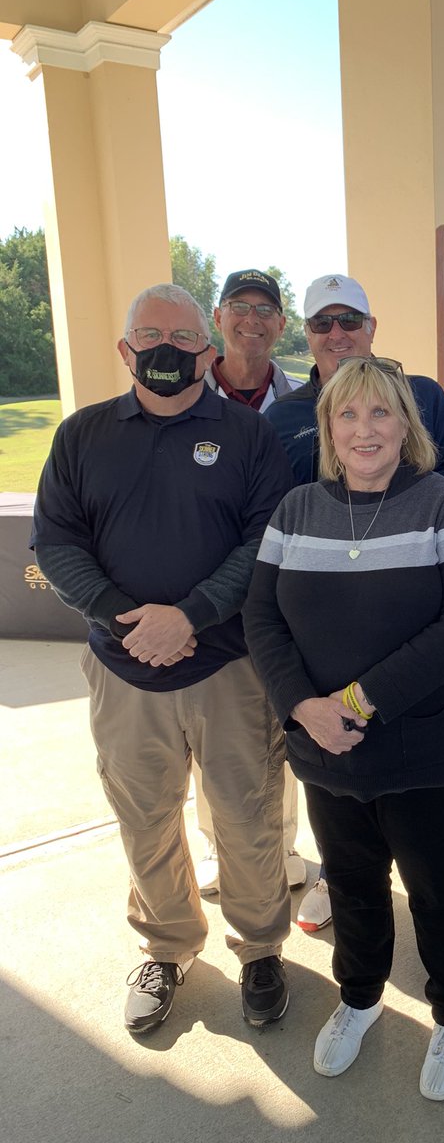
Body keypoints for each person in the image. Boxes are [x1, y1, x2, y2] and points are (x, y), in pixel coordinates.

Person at [31, 284, 293, 1033]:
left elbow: (264, 542)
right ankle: (168, 944)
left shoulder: (248, 437)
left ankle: (261, 947)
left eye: (182, 338)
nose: (166, 350)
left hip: (227, 666)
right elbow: (56, 543)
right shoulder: (81, 436)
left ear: (207, 351)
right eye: (149, 335)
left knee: (246, 816)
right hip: (122, 671)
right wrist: (125, 621)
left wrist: (191, 615)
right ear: (125, 349)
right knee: (144, 816)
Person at [244, 356, 444, 1100]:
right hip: (326, 753)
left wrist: (353, 703)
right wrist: (304, 707)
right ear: (326, 428)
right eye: (346, 415)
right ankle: (358, 997)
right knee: (351, 885)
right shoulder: (295, 511)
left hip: (427, 754)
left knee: (437, 889)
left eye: (380, 413)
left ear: (406, 425)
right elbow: (261, 616)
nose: (364, 429)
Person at [264, 272, 444, 930]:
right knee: (351, 866)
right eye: (322, 323)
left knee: (434, 876)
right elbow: (263, 595)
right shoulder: (284, 425)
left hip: (413, 681)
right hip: (319, 660)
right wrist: (305, 704)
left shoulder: (426, 402)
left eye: (349, 319)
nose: (336, 333)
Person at [191, 267, 306, 895]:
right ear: (219, 315)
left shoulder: (298, 403)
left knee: (276, 727)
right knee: (215, 737)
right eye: (240, 306)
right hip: (209, 601)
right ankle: (215, 846)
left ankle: (283, 847)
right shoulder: (183, 396)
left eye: (266, 309)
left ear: (281, 325)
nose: (252, 320)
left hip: (283, 599)